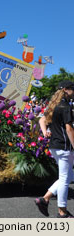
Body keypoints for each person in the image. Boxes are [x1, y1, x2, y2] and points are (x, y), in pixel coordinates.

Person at [36, 80, 74, 218]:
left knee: (68, 175)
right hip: (64, 146)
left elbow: (41, 120)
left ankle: (45, 199)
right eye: (72, 89)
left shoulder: (54, 105)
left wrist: (45, 131)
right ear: (65, 90)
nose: (73, 92)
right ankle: (62, 212)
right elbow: (69, 129)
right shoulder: (65, 106)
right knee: (65, 178)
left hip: (54, 146)